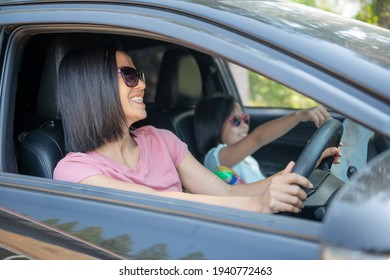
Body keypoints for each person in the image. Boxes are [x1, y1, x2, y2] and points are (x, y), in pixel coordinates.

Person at [53, 42, 339, 215]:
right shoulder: (74, 170)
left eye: (138, 75)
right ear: (92, 88)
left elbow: (225, 194)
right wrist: (259, 205)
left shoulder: (161, 140)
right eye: (129, 75)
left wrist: (299, 173)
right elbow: (156, 202)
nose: (141, 83)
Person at [194, 94, 341, 183]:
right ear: (215, 125)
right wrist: (298, 116)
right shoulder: (215, 157)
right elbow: (257, 139)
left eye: (245, 119)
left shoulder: (247, 159)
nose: (244, 125)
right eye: (236, 121)